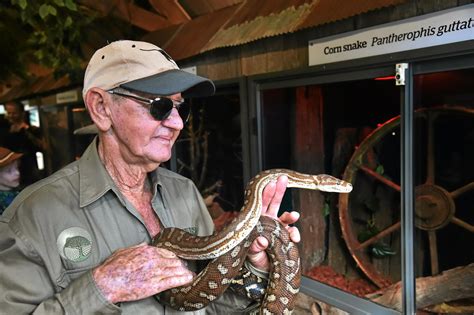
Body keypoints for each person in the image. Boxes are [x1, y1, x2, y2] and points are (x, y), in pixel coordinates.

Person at [0, 40, 300, 314]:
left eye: (180, 107)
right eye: (159, 106)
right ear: (101, 108)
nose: (177, 123)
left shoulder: (185, 192)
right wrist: (102, 287)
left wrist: (250, 264)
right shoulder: (32, 217)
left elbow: (211, 305)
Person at [3, 101, 45, 186]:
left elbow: (42, 146)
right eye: (9, 113)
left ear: (22, 113)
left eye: (14, 113)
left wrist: (27, 132)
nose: (11, 116)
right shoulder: (4, 129)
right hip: (8, 173)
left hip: (27, 172)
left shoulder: (31, 130)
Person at [0, 147, 23, 215]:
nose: (17, 173)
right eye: (9, 171)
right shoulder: (3, 202)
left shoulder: (18, 191)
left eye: (16, 167)